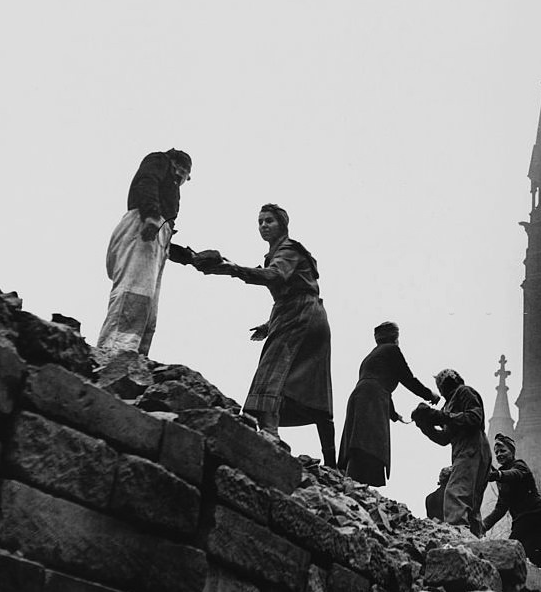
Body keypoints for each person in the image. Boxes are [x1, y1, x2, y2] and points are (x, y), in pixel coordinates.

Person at [203, 204, 335, 465]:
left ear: (282, 225)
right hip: (308, 314)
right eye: (260, 221)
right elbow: (291, 288)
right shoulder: (282, 252)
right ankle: (331, 462)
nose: (263, 225)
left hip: (300, 314)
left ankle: (270, 433)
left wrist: (234, 269)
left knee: (271, 371)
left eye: (269, 221)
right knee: (314, 387)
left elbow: (276, 276)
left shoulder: (287, 250)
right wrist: (268, 324)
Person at [97, 148, 192, 356]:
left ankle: (135, 354)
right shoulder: (160, 161)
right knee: (134, 291)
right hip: (143, 225)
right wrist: (150, 214)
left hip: (156, 235)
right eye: (183, 173)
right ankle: (114, 351)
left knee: (146, 301)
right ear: (179, 167)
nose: (181, 179)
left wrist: (188, 256)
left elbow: (163, 236)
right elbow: (146, 181)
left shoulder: (170, 187)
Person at [338, 321, 439, 486]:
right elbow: (407, 378)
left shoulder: (372, 355)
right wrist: (429, 395)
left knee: (359, 439)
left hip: (363, 397)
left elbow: (379, 382)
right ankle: (358, 482)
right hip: (372, 399)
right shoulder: (392, 350)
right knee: (368, 442)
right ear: (394, 337)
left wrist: (393, 414)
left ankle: (354, 481)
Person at [411, 369, 491, 535]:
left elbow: (475, 418)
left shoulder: (464, 391)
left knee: (456, 493)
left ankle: (458, 535)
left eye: (442, 383)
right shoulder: (449, 404)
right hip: (466, 449)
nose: (441, 387)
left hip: (472, 446)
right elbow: (443, 438)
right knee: (470, 502)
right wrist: (424, 425)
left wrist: (440, 416)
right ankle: (474, 540)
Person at [483, 433, 541, 566]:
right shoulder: (501, 478)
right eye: (496, 452)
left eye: (503, 451)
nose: (499, 455)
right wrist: (484, 525)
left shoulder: (519, 465)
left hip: (535, 515)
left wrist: (498, 475)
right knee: (523, 556)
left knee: (516, 552)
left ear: (511, 452)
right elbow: (501, 507)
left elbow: (516, 475)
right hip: (522, 519)